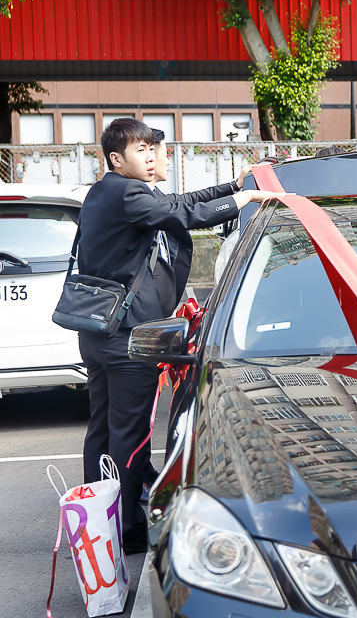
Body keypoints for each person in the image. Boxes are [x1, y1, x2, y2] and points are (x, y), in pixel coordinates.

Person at [77, 118, 272, 554]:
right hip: (129, 337)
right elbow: (184, 214)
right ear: (116, 158)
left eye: (153, 149)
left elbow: (176, 201)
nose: (151, 157)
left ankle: (100, 520)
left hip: (98, 331)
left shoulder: (104, 191)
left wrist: (233, 187)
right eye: (141, 150)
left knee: (102, 433)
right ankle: (126, 532)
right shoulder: (129, 194)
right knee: (128, 435)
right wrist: (243, 199)